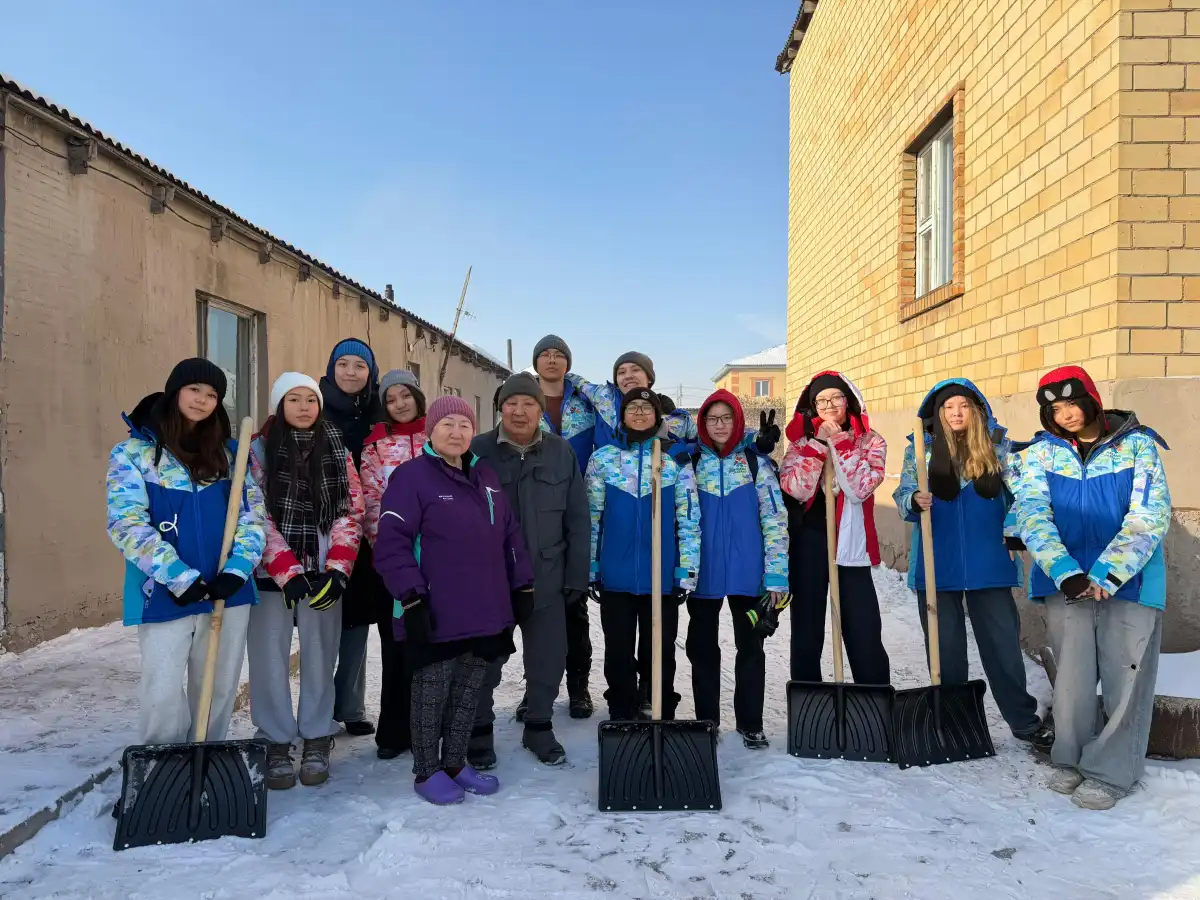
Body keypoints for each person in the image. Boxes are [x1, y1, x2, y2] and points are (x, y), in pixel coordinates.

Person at [1013, 366, 1170, 810]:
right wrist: (1066, 571)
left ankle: (1112, 770)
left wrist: (1105, 574)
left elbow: (1149, 515)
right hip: (1066, 584)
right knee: (1073, 680)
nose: (1064, 415)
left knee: (1126, 678)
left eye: (1070, 403)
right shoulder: (1042, 455)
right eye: (1054, 409)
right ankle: (1071, 757)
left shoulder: (1137, 446)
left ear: (1092, 400)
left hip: (1131, 581)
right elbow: (1032, 515)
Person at [374, 396, 534, 805]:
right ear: (431, 431)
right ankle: (427, 770)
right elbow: (391, 543)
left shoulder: (487, 478)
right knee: (432, 690)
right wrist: (410, 597)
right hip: (434, 609)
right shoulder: (412, 478)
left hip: (485, 607)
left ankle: (456, 762)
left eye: (465, 425)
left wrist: (523, 586)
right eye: (448, 424)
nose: (457, 432)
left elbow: (511, 536)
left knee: (469, 691)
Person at [106, 358, 265, 748]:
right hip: (163, 589)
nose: (202, 400)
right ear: (175, 391)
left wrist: (238, 569)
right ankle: (163, 774)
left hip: (226, 589)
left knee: (218, 685)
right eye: (195, 390)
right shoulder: (133, 453)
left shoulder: (231, 456)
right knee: (161, 688)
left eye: (212, 395)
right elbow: (125, 522)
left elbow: (253, 516)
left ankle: (206, 766)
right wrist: (178, 576)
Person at [892, 379, 1053, 754]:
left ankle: (1024, 722)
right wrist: (913, 499)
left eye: (963, 405)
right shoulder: (921, 450)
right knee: (945, 650)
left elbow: (1023, 497)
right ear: (938, 414)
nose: (956, 413)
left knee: (1002, 648)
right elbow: (902, 493)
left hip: (989, 561)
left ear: (977, 410)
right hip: (937, 562)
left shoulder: (999, 447)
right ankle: (952, 720)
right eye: (948, 408)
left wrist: (1015, 530)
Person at [248, 373, 365, 789]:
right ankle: (276, 739)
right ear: (279, 405)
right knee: (268, 660)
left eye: (310, 400)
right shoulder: (258, 450)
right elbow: (254, 514)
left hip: (322, 575)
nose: (303, 407)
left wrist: (338, 567)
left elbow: (350, 510)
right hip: (269, 577)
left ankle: (317, 735)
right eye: (293, 399)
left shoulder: (336, 446)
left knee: (320, 657)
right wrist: (285, 569)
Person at [469, 372, 590, 767]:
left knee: (548, 658)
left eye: (529, 404)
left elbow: (578, 518)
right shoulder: (477, 451)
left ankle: (539, 726)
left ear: (541, 410)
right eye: (511, 403)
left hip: (547, 578)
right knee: (484, 661)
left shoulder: (560, 452)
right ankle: (479, 731)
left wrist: (576, 577)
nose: (520, 411)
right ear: (500, 407)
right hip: (490, 581)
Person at [585, 388, 701, 720]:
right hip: (616, 576)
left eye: (646, 408)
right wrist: (592, 567)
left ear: (657, 416)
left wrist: (686, 571)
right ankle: (621, 710)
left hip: (662, 577)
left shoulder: (674, 460)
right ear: (622, 415)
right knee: (618, 652)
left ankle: (661, 708)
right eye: (632, 407)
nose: (638, 412)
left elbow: (689, 518)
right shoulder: (603, 459)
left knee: (659, 651)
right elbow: (592, 518)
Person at [688, 389, 788, 749]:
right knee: (702, 648)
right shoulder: (692, 463)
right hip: (705, 574)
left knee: (751, 646)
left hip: (749, 574)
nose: (719, 425)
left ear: (737, 422)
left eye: (726, 418)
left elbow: (775, 519)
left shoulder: (754, 464)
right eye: (712, 419)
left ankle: (750, 721)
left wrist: (776, 575)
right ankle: (707, 720)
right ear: (702, 423)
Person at [778, 371, 890, 686]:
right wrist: (817, 445)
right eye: (821, 400)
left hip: (851, 542)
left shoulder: (871, 441)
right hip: (810, 541)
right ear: (812, 406)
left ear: (848, 401)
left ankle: (872, 697)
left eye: (835, 398)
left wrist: (839, 443)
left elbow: (861, 487)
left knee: (862, 624)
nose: (828, 405)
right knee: (807, 626)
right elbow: (796, 488)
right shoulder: (800, 443)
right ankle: (809, 697)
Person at [360, 368, 427, 761]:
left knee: (436, 644)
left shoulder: (439, 439)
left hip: (439, 562)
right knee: (397, 642)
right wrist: (389, 553)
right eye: (391, 398)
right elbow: (369, 504)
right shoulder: (375, 448)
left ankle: (433, 725)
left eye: (406, 395)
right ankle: (395, 729)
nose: (400, 404)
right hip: (396, 561)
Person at [531, 334, 597, 718]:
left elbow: (635, 409)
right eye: (545, 355)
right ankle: (536, 688)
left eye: (559, 355)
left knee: (575, 608)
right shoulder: (522, 400)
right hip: (537, 512)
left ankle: (578, 688)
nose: (552, 360)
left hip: (580, 513)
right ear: (536, 362)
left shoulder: (586, 402)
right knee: (535, 609)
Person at [320, 338, 383, 738]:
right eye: (342, 364)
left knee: (358, 619)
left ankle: (351, 705)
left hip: (369, 532)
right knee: (323, 621)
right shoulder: (315, 408)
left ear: (370, 374)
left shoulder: (380, 414)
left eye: (359, 366)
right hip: (324, 531)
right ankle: (319, 707)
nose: (350, 372)